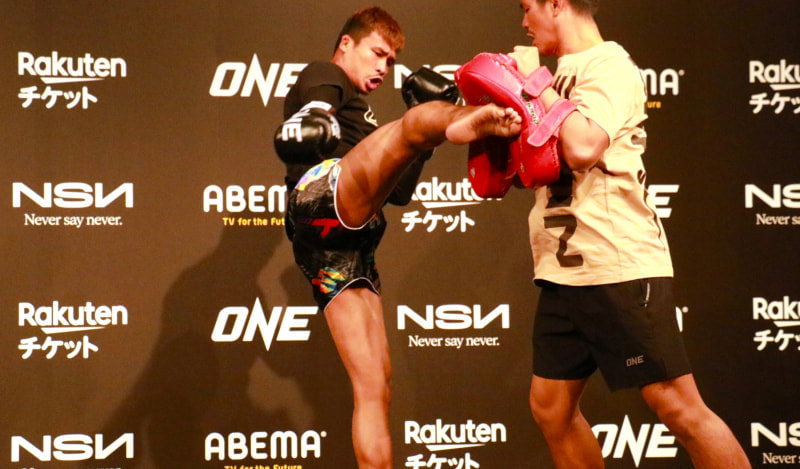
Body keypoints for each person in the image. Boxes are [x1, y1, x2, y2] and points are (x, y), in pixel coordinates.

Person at [505, 0, 752, 467]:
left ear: (556, 4)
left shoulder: (609, 65)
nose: (523, 22)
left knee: (677, 406)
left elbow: (582, 145)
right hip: (564, 271)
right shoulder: (556, 76)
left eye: (527, 7)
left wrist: (535, 83)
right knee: (551, 409)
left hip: (615, 264)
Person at [274, 7, 522, 468]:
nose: (383, 68)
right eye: (376, 53)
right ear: (346, 44)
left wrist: (419, 144)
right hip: (321, 197)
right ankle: (472, 118)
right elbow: (316, 105)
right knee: (413, 127)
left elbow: (401, 194)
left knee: (375, 386)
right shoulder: (326, 75)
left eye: (390, 61)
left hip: (346, 242)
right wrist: (313, 117)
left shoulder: (364, 120)